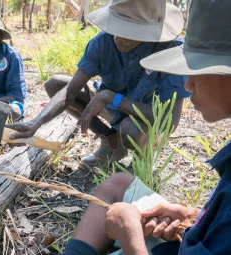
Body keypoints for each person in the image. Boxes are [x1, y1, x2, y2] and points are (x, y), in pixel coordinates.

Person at [63, 0, 231, 254]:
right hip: (195, 236)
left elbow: (168, 121)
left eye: (196, 70)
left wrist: (129, 236)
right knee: (117, 183)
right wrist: (194, 215)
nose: (188, 85)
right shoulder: (102, 44)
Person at [7, 0, 190, 172]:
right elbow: (70, 91)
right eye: (115, 26)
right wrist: (36, 122)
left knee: (130, 129)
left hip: (147, 121)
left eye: (128, 30)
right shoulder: (103, 42)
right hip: (111, 108)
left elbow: (169, 121)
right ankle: (112, 143)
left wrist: (112, 98)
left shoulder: (172, 51)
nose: (117, 36)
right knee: (55, 84)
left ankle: (142, 161)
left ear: (148, 31)